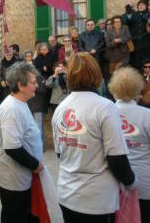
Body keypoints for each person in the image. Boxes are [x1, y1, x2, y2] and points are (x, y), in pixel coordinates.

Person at [52, 52, 136, 223]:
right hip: (96, 200)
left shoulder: (61, 108)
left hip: (66, 194)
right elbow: (117, 158)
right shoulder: (105, 107)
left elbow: (60, 153)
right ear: (96, 75)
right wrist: (131, 182)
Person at [108, 67, 150, 223]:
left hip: (113, 184)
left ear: (113, 89)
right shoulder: (148, 115)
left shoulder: (106, 113)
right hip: (146, 183)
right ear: (139, 89)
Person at [0, 62, 44, 223]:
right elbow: (12, 148)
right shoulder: (12, 109)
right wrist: (36, 165)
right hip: (13, 178)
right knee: (15, 217)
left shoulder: (20, 103)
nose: (36, 85)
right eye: (33, 82)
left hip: (21, 176)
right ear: (21, 86)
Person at [126, 0, 150, 69]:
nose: (141, 6)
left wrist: (148, 19)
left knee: (146, 56)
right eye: (139, 5)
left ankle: (148, 71)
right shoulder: (134, 14)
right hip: (136, 40)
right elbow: (129, 23)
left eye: (143, 5)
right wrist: (129, 13)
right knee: (136, 56)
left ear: (146, 6)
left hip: (146, 40)